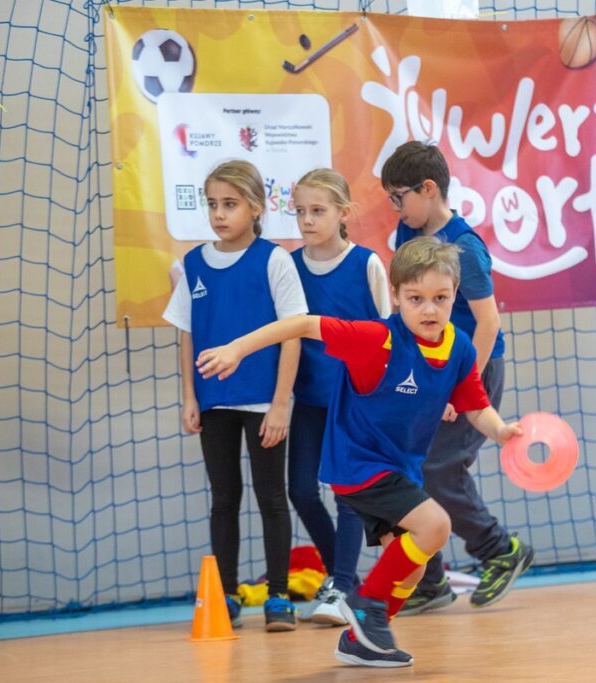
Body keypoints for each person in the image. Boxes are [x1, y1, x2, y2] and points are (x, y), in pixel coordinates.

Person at [195, 237, 522, 667]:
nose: (428, 309)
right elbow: (300, 323)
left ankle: (361, 639)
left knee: (416, 566)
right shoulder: (376, 339)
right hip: (358, 464)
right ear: (397, 295)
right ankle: (367, 608)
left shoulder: (459, 346)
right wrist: (237, 348)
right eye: (416, 298)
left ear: (455, 295)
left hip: (400, 469)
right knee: (436, 526)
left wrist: (500, 431)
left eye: (440, 298)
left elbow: (474, 403)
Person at [382, 141, 534, 614]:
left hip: (473, 373)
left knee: (438, 469)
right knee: (409, 469)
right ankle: (430, 580)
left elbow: (488, 324)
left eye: (398, 196)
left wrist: (456, 384)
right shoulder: (407, 238)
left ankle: (498, 550)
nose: (395, 207)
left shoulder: (464, 248)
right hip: (429, 376)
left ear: (428, 189)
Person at [162, 159, 306, 632]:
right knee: (223, 497)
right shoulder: (193, 264)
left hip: (265, 402)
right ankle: (224, 592)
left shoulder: (275, 259)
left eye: (230, 204)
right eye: (212, 204)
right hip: (214, 402)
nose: (219, 214)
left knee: (271, 496)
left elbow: (293, 334)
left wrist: (282, 402)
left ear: (256, 208)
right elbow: (186, 334)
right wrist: (189, 395)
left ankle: (279, 596)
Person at [288, 169, 392, 626]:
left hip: (355, 401)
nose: (307, 221)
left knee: (348, 494)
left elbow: (391, 334)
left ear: (343, 213)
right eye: (300, 212)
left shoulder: (366, 264)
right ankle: (340, 576)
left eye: (317, 211)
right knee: (301, 490)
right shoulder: (287, 266)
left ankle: (343, 585)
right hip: (308, 398)